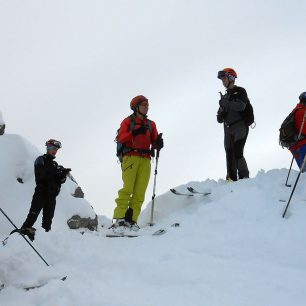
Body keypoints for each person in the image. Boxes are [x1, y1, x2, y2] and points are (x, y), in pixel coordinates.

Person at [111, 95, 163, 234]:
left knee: (140, 192)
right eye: (144, 104)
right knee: (127, 189)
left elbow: (154, 141)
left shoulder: (151, 124)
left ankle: (132, 220)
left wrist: (159, 143)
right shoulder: (128, 121)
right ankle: (119, 218)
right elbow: (121, 138)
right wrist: (134, 132)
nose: (147, 107)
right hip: (130, 157)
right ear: (136, 107)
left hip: (145, 158)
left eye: (147, 104)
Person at [12, 139, 71, 241]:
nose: (54, 151)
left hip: (52, 196)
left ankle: (45, 240)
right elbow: (41, 176)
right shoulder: (41, 159)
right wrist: (56, 173)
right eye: (52, 148)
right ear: (47, 148)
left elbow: (60, 181)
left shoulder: (55, 165)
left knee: (48, 221)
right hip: (41, 192)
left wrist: (63, 175)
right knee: (33, 216)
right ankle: (19, 236)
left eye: (56, 149)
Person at [216, 68, 250, 181]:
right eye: (222, 79)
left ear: (231, 78)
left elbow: (241, 106)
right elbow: (219, 118)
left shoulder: (240, 91)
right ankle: (231, 179)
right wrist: (221, 113)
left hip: (240, 126)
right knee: (229, 154)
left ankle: (244, 178)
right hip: (227, 129)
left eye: (224, 78)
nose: (223, 81)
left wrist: (227, 104)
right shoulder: (225, 97)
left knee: (237, 151)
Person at [289, 92, 306, 171]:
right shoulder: (302, 112)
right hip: (302, 145)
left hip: (295, 145)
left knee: (303, 173)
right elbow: (303, 130)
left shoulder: (296, 110)